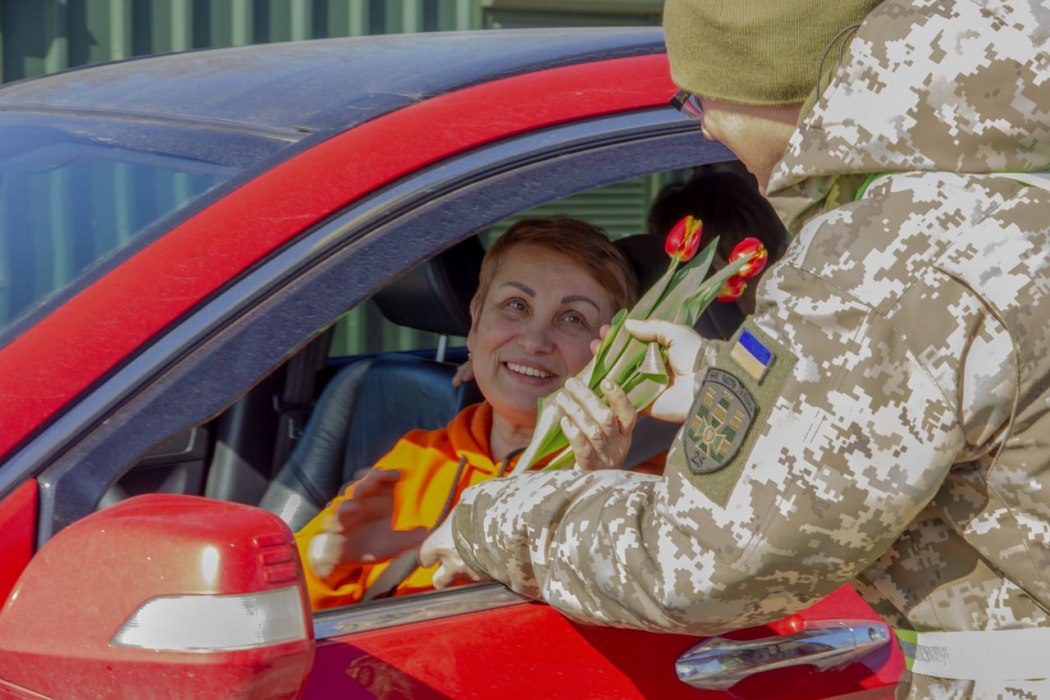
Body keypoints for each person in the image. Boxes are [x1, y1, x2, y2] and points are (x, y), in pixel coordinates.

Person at [421, 1, 1050, 697]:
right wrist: (717, 374)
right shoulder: (1004, 188)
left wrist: (493, 520)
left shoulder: (888, 254)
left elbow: (708, 560)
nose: (702, 122)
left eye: (698, 95)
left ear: (769, 82)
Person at [295, 216, 642, 610]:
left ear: (611, 352)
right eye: (516, 305)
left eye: (573, 318)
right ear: (475, 323)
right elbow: (283, 625)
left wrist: (594, 490)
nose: (533, 341)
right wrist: (325, 566)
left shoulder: (638, 482)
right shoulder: (417, 459)